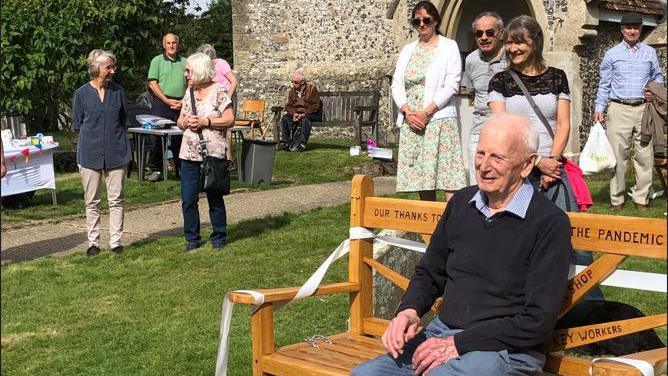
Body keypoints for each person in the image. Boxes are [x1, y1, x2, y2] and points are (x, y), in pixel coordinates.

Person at [351, 114, 572, 376]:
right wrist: (408, 312)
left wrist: (459, 344)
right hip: (442, 332)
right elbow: (430, 272)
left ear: (527, 165)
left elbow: (537, 320)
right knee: (365, 375)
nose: (484, 166)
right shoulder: (462, 203)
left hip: (505, 349)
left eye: (497, 158)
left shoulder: (548, 223)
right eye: (480, 153)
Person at [488, 15, 602, 299]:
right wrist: (536, 161)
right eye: (509, 43)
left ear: (535, 42)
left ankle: (587, 305)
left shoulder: (557, 77)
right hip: (515, 172)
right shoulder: (500, 80)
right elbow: (501, 126)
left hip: (553, 169)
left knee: (571, 238)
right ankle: (519, 300)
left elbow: (563, 124)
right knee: (515, 238)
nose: (512, 48)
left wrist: (551, 162)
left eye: (519, 42)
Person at [391, 1, 466, 202]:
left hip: (438, 119)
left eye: (426, 20)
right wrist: (407, 113)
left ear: (436, 21)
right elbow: (397, 84)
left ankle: (453, 226)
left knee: (449, 178)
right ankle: (428, 230)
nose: (422, 24)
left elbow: (452, 84)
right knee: (423, 180)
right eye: (417, 21)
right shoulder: (407, 50)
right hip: (412, 121)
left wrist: (426, 112)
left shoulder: (449, 46)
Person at [594, 12, 664, 211]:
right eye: (628, 27)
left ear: (641, 29)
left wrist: (654, 90)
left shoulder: (649, 53)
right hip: (618, 108)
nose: (632, 31)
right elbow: (604, 84)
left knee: (645, 156)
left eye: (636, 27)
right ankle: (617, 199)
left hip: (644, 109)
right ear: (621, 29)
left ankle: (641, 198)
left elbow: (658, 76)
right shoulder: (612, 54)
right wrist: (599, 108)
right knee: (617, 157)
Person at [72, 49, 131, 256]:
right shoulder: (81, 94)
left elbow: (125, 122)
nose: (113, 71)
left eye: (113, 67)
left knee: (116, 199)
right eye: (109, 67)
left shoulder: (119, 92)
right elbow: (77, 125)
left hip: (117, 153)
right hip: (89, 154)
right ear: (96, 69)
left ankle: (116, 242)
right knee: (92, 201)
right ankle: (93, 243)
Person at [176, 52, 234, 252]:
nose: (185, 74)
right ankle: (192, 238)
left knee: (214, 196)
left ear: (199, 71)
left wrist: (205, 122)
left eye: (188, 70)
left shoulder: (219, 91)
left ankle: (219, 235)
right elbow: (180, 120)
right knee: (188, 198)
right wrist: (185, 122)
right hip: (189, 153)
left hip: (213, 152)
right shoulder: (189, 92)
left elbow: (229, 119)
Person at [463, 11, 507, 185]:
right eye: (478, 33)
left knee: (503, 184)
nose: (484, 37)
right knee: (477, 184)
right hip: (479, 130)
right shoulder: (471, 60)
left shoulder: (511, 58)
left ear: (501, 33)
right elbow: (472, 92)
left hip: (506, 131)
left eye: (490, 32)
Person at [146, 33, 187, 182]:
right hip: (161, 102)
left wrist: (184, 100)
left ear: (178, 44)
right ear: (164, 45)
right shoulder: (157, 61)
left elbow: (192, 82)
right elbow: (153, 83)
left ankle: (181, 169)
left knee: (180, 137)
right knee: (158, 137)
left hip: (181, 103)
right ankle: (156, 170)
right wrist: (167, 101)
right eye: (168, 43)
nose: (171, 46)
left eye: (173, 43)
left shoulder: (185, 61)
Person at [197, 43, 238, 167]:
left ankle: (228, 160)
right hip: (214, 101)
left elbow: (234, 81)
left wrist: (226, 98)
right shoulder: (207, 68)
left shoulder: (221, 63)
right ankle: (214, 159)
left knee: (224, 129)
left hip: (226, 98)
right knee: (214, 129)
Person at [279, 71, 320, 152]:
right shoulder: (292, 91)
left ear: (302, 82)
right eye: (293, 82)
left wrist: (304, 114)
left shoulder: (312, 89)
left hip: (310, 114)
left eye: (296, 82)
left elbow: (315, 106)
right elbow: (288, 106)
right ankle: (286, 142)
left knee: (305, 119)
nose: (294, 84)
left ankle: (302, 143)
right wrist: (294, 114)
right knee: (285, 118)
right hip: (297, 114)